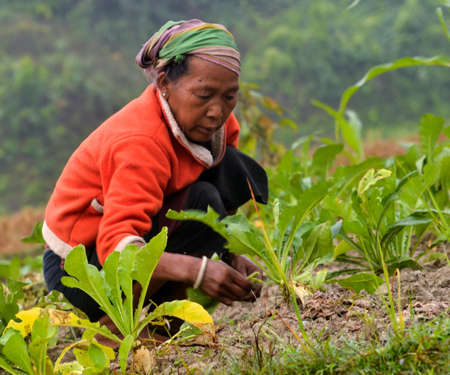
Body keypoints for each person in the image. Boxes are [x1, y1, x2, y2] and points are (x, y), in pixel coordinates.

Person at [42, 19, 268, 341]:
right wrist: (197, 271)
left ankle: (161, 325)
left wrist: (229, 254)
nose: (217, 111)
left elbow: (202, 197)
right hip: (79, 269)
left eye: (229, 96)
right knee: (200, 207)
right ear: (163, 82)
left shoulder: (216, 125)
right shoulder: (140, 142)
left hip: (140, 232)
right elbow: (116, 249)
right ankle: (115, 328)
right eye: (203, 95)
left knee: (211, 191)